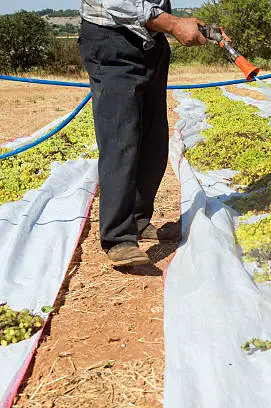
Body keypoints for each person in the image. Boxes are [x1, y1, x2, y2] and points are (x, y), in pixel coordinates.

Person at [79, 1, 206, 266]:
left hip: (150, 43)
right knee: (120, 140)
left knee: (153, 141)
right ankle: (118, 237)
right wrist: (173, 24)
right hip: (113, 41)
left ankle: (137, 221)